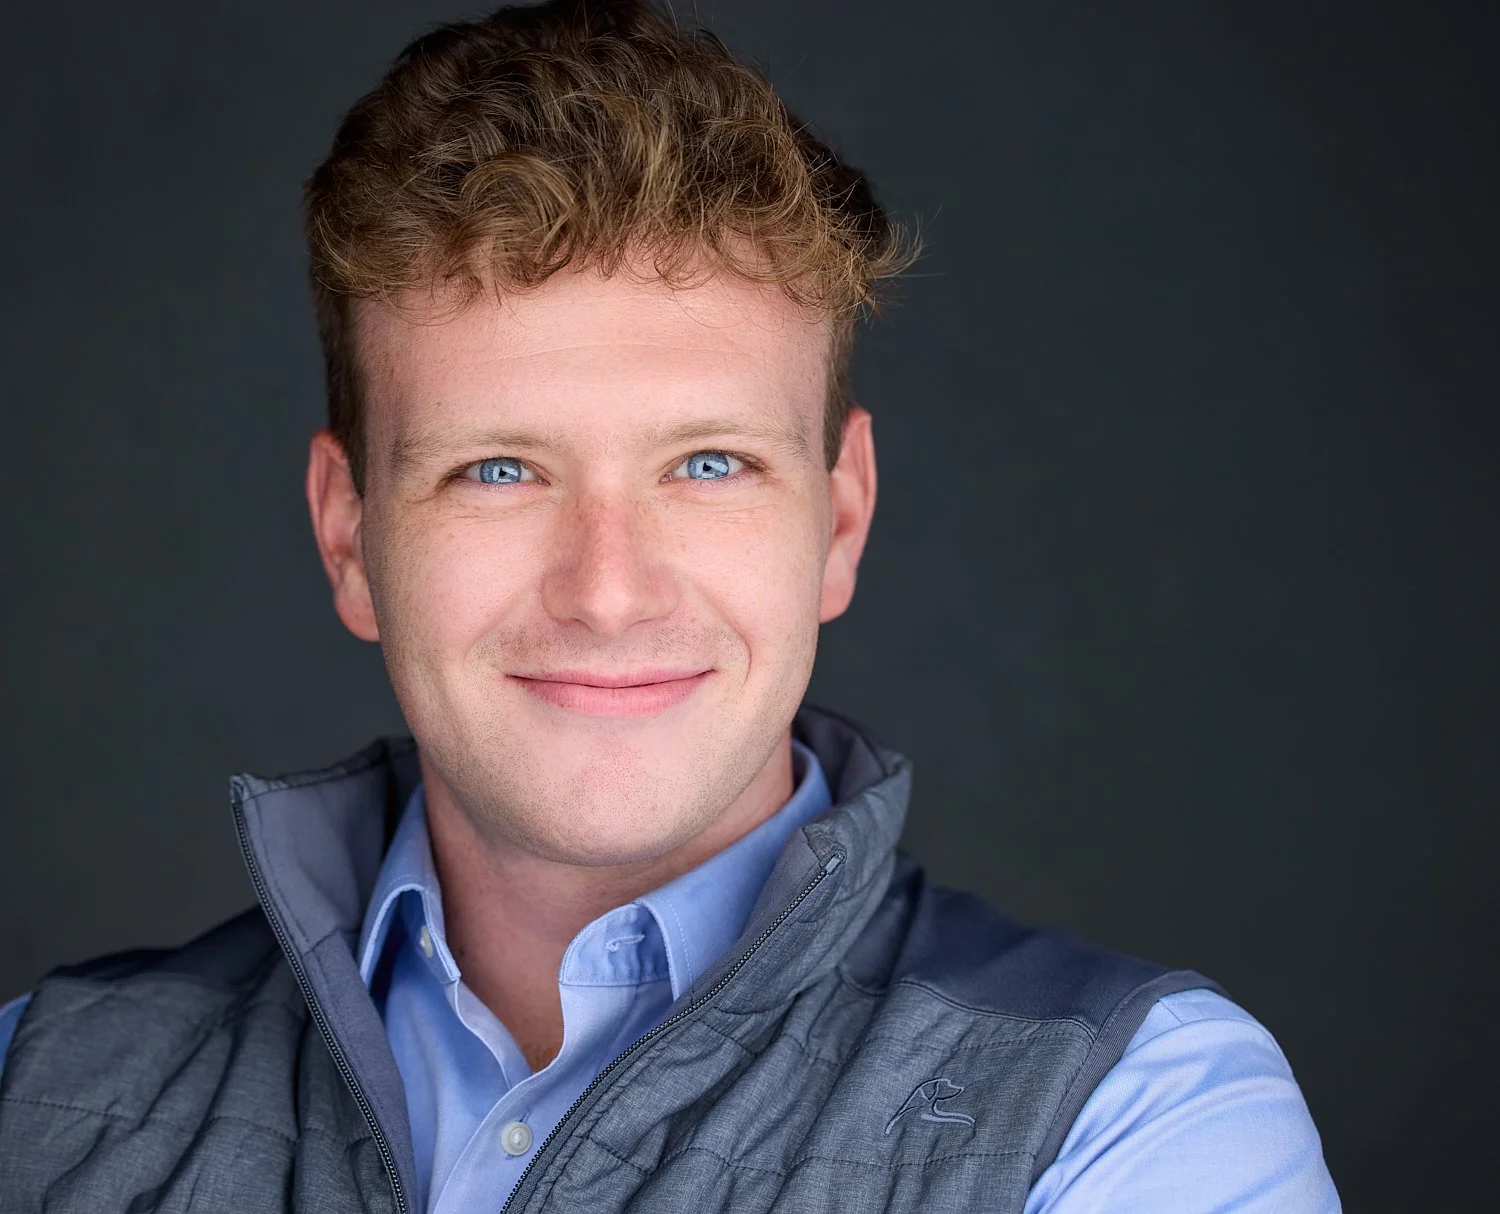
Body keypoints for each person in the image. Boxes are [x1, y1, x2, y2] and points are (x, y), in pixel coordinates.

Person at [0, 2, 1340, 1210]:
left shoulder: (1134, 1119)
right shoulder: (34, 1097)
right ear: (349, 534)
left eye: (708, 464)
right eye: (499, 468)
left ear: (841, 516)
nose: (607, 587)